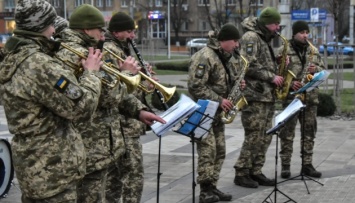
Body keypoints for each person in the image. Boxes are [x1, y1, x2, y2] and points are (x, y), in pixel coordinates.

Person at [55, 4, 165, 203]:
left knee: (107, 189)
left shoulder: (87, 50)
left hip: (100, 142)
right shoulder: (80, 54)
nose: (102, 35)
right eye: (99, 29)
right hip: (90, 143)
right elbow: (109, 96)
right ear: (87, 29)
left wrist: (138, 110)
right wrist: (128, 76)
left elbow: (109, 92)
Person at [0, 0, 103, 202]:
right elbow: (81, 109)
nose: (54, 29)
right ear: (40, 27)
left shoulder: (13, 56)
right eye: (51, 24)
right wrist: (91, 74)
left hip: (33, 165)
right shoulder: (40, 65)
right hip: (53, 170)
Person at [188, 23, 245, 203]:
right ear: (223, 41)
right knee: (208, 151)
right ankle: (205, 191)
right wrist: (220, 100)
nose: (237, 45)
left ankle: (213, 186)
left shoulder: (227, 56)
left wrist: (238, 84)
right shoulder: (205, 56)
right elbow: (195, 86)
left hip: (218, 114)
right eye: (234, 41)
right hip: (205, 112)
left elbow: (224, 79)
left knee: (220, 150)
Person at [103, 11, 155, 203]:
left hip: (129, 122)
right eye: (128, 31)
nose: (133, 36)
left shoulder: (121, 48)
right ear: (116, 32)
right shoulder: (111, 50)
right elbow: (114, 90)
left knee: (116, 177)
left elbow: (132, 88)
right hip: (122, 124)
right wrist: (135, 76)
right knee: (132, 176)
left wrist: (146, 81)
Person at [233, 7, 284, 188]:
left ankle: (255, 170)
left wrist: (275, 63)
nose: (277, 27)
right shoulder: (251, 37)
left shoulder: (263, 37)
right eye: (275, 24)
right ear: (266, 23)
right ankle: (242, 172)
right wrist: (271, 76)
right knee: (254, 136)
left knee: (265, 136)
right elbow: (246, 65)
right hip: (255, 96)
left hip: (266, 95)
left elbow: (260, 62)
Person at [277, 20, 323, 179]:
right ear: (294, 34)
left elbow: (323, 69)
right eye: (302, 33)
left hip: (310, 99)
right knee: (287, 133)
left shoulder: (313, 50)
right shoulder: (283, 50)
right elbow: (276, 73)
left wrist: (315, 69)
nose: (305, 36)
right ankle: (285, 165)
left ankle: (307, 165)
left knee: (309, 133)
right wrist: (290, 83)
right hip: (291, 98)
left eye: (306, 33)